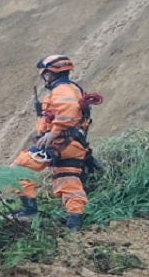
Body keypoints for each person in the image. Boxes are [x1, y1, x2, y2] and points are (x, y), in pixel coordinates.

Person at [11, 54, 94, 232]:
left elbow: (68, 110)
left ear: (49, 73)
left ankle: (29, 210)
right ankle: (74, 224)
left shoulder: (62, 90)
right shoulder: (73, 88)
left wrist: (54, 132)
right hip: (75, 145)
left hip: (58, 143)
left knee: (20, 168)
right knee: (68, 181)